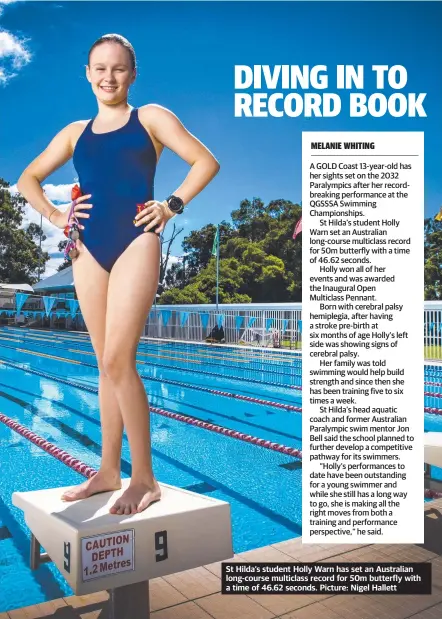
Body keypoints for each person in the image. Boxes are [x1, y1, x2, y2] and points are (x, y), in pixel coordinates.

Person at [17, 34, 220, 515]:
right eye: (99, 69)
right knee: (104, 364)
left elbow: (205, 161)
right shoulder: (74, 133)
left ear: (132, 74)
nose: (108, 77)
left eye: (118, 69)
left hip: (135, 241)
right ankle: (109, 470)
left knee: (118, 358)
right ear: (87, 74)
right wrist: (55, 214)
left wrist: (170, 206)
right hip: (86, 248)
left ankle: (145, 478)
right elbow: (28, 178)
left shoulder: (149, 118)